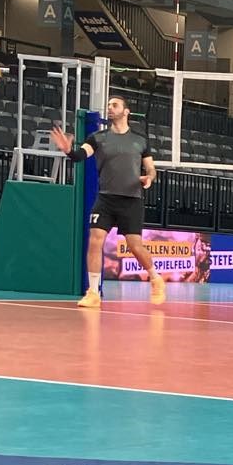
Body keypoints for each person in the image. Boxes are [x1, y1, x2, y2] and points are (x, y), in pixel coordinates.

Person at [50, 95, 164, 309]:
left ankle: (156, 279)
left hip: (131, 199)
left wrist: (149, 177)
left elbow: (151, 168)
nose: (110, 108)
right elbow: (79, 156)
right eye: (109, 105)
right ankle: (93, 292)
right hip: (106, 198)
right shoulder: (98, 137)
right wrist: (68, 150)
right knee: (95, 240)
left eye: (115, 105)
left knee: (135, 246)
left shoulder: (140, 140)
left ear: (126, 111)